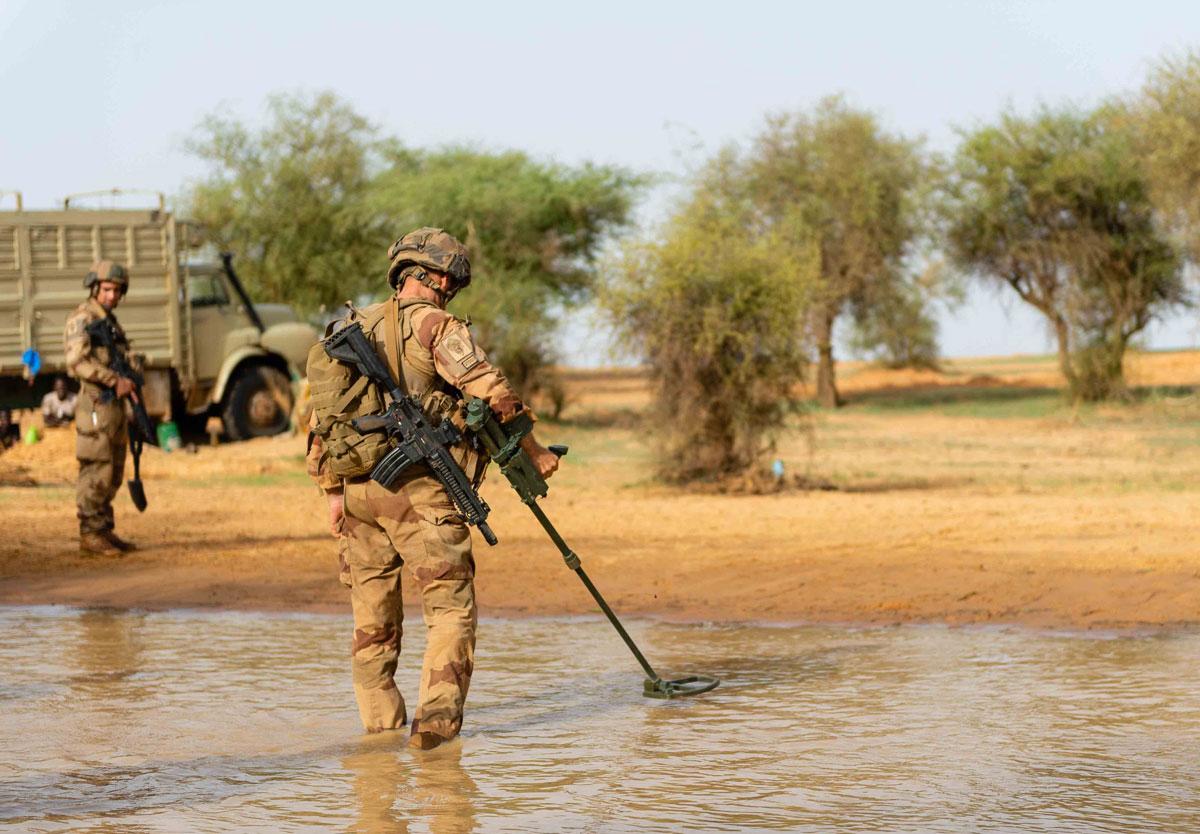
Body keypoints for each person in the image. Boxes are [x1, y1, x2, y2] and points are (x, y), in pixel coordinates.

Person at [311, 227, 560, 750]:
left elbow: (320, 421)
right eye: (452, 279)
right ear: (437, 275)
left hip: (356, 493)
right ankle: (436, 735)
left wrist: (333, 492)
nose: (453, 289)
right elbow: (491, 391)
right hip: (416, 489)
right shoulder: (434, 325)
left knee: (371, 620)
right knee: (449, 607)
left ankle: (379, 738)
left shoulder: (353, 327)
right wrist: (534, 453)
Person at [63, 261, 141, 556]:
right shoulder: (82, 318)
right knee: (97, 466)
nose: (112, 296)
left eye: (117, 291)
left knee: (114, 468)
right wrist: (113, 379)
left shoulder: (109, 322)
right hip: (96, 404)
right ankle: (90, 532)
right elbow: (77, 362)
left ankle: (104, 528)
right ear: (95, 287)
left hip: (113, 406)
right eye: (107, 289)